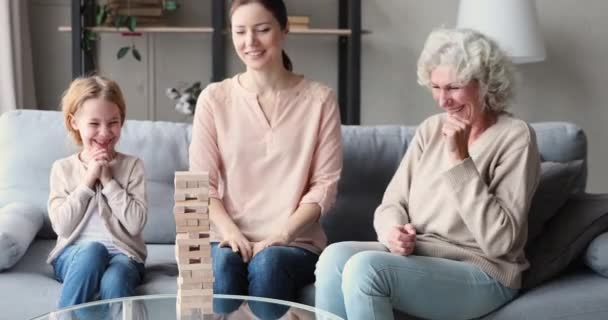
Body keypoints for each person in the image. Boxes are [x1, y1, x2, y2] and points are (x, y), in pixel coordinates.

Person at [315, 28, 542, 320]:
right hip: (422, 256)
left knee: (366, 270)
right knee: (333, 257)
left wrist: (460, 159)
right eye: (436, 87)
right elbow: (392, 201)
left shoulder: (515, 137)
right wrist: (392, 232)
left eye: (454, 87)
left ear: (485, 84)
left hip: (485, 270)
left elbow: (499, 242)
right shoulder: (431, 129)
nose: (442, 100)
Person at [188, 0, 342, 319]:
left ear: (284, 30)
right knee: (226, 270)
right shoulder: (215, 99)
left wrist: (282, 234)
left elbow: (323, 188)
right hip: (228, 237)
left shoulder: (320, 100)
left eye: (262, 30)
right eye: (240, 32)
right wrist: (230, 231)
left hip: (294, 241)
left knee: (269, 267)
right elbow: (201, 185)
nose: (250, 42)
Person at [47, 75, 147, 312]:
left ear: (121, 121)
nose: (104, 132)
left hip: (125, 256)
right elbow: (62, 226)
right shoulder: (63, 168)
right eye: (94, 124)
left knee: (115, 280)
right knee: (94, 250)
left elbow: (135, 224)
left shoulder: (133, 166)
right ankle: (64, 317)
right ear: (74, 123)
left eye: (113, 122)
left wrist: (108, 180)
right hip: (74, 256)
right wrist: (88, 179)